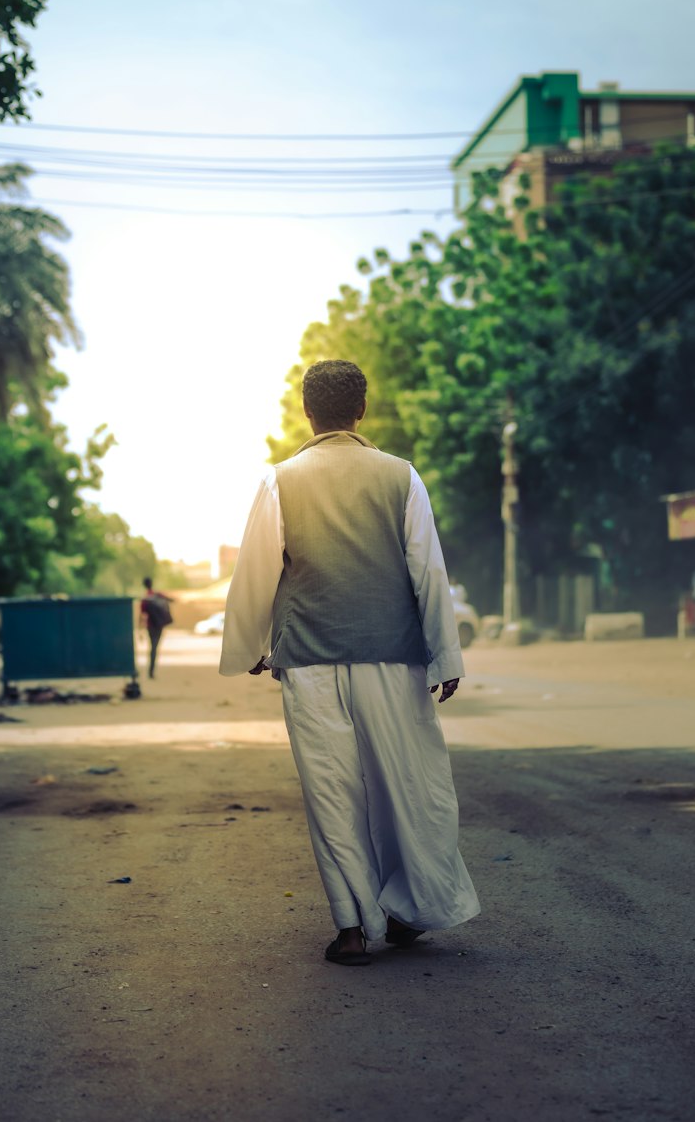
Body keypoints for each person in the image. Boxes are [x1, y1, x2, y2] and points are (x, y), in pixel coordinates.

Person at [221, 359, 479, 966]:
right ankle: (408, 909)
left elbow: (255, 570)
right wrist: (445, 654)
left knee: (331, 793)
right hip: (394, 659)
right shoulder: (402, 477)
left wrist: (254, 646)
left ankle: (354, 929)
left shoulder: (280, 480)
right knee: (407, 787)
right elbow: (428, 570)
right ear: (362, 409)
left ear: (307, 412)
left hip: (309, 661)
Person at [140, 575, 172, 679]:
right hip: (159, 625)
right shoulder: (158, 595)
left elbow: (142, 615)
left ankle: (151, 670)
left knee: (152, 647)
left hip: (150, 626)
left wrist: (140, 629)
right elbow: (171, 600)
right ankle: (152, 670)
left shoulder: (145, 599)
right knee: (155, 647)